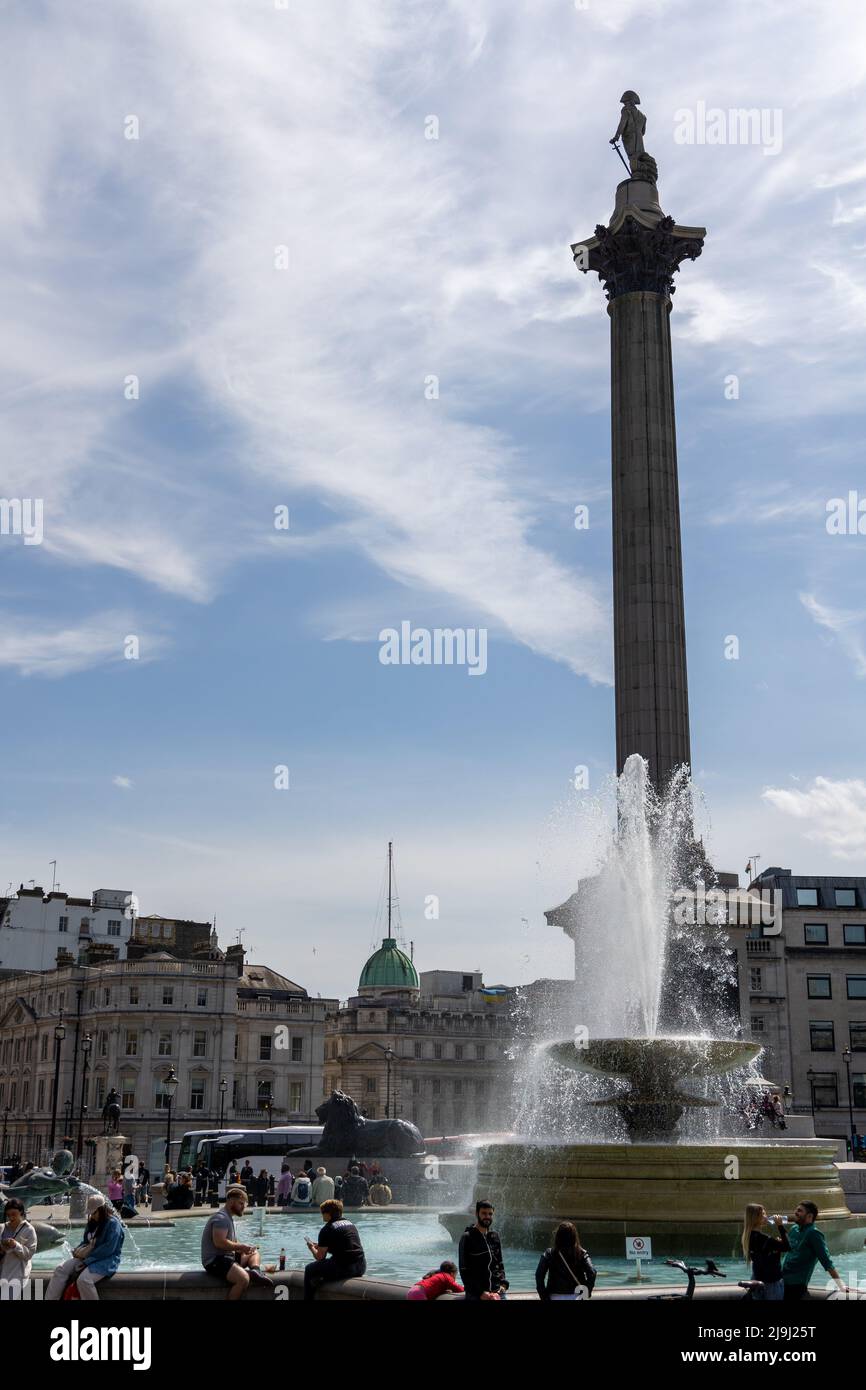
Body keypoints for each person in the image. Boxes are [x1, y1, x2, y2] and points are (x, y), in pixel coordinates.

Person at [45, 1194, 125, 1300]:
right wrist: (77, 1250)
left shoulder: (113, 1224)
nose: (92, 1216)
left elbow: (108, 1249)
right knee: (60, 1269)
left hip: (106, 1260)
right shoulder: (92, 1222)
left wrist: (87, 1261)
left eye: (94, 1212)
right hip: (86, 1257)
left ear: (102, 1209)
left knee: (84, 1280)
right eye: (90, 1213)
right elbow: (85, 1241)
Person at [201, 1185, 273, 1300]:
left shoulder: (228, 1217)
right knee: (243, 1279)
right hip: (215, 1261)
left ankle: (256, 1271)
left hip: (226, 1257)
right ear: (231, 1202)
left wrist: (243, 1248)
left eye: (244, 1204)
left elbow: (231, 1243)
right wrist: (240, 1246)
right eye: (241, 1203)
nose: (243, 1207)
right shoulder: (221, 1218)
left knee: (253, 1253)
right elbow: (219, 1243)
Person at [303, 1198, 366, 1301]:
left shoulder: (327, 1229)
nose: (322, 1215)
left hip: (345, 1267)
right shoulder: (350, 1224)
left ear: (328, 1214)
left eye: (323, 1212)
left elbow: (320, 1257)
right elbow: (344, 1246)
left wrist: (311, 1248)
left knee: (309, 1269)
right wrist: (320, 1246)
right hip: (361, 1266)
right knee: (323, 1271)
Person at [782, 1201, 846, 1299]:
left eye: (799, 1211)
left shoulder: (814, 1234)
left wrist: (841, 1285)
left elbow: (826, 1262)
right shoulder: (794, 1229)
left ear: (809, 1216)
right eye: (796, 1210)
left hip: (796, 1285)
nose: (795, 1213)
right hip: (781, 1280)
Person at [459, 1200, 508, 1300]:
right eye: (484, 1213)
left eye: (490, 1214)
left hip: (497, 1291)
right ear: (477, 1214)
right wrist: (481, 1293)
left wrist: (502, 1286)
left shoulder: (495, 1236)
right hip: (476, 1294)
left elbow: (500, 1264)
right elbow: (464, 1270)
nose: (487, 1217)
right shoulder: (467, 1237)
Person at [535, 1222, 596, 1301]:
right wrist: (586, 1293)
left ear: (558, 1236)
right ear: (574, 1236)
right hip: (576, 1296)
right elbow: (592, 1273)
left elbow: (539, 1275)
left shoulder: (549, 1253)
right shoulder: (581, 1253)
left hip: (554, 1295)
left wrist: (544, 1296)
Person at [740, 1204, 789, 1300]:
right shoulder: (765, 1239)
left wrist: (776, 1249)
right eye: (763, 1214)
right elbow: (787, 1247)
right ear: (757, 1218)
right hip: (771, 1282)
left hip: (757, 1279)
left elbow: (764, 1256)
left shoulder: (747, 1237)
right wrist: (780, 1226)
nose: (766, 1216)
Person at [0, 1198, 38, 1298]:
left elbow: (28, 1255)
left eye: (14, 1214)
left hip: (17, 1270)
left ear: (21, 1212)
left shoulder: (29, 1230)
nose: (11, 1217)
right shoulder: (2, 1227)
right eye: (8, 1215)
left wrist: (15, 1245)